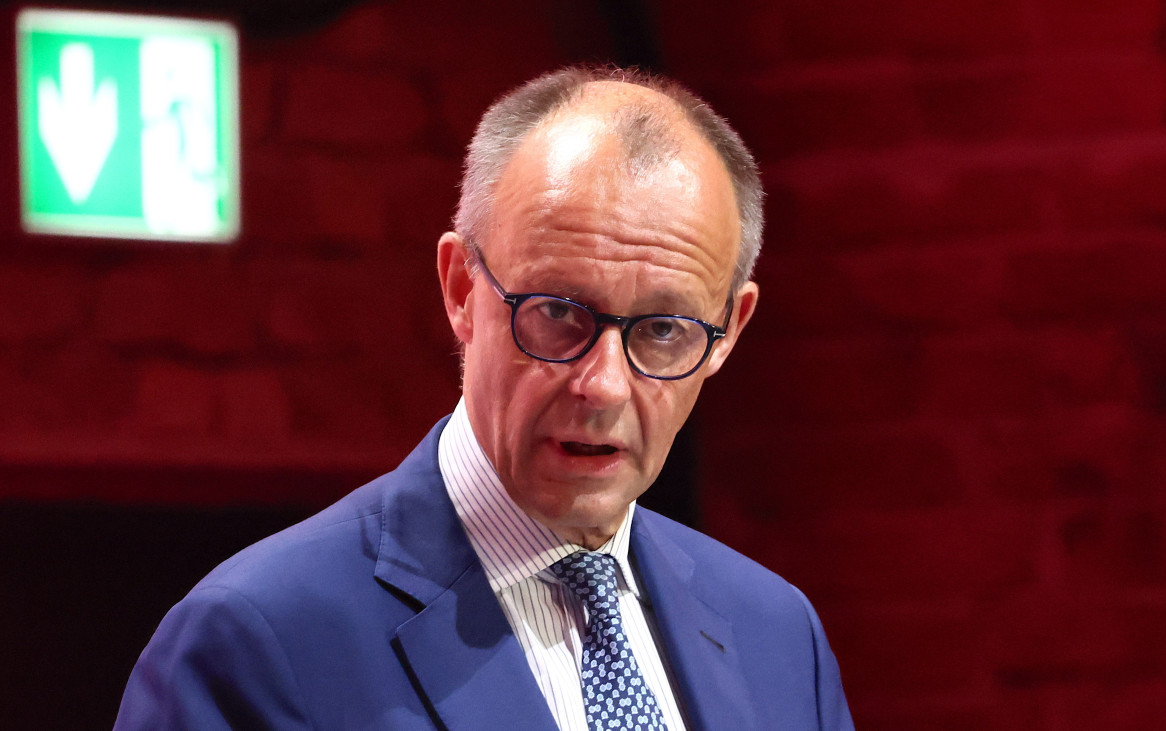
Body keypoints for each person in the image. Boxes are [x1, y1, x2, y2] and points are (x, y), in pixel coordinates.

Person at [115, 66, 853, 731]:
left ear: (728, 330)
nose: (602, 385)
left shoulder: (780, 636)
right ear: (461, 289)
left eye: (663, 330)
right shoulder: (256, 643)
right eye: (558, 312)